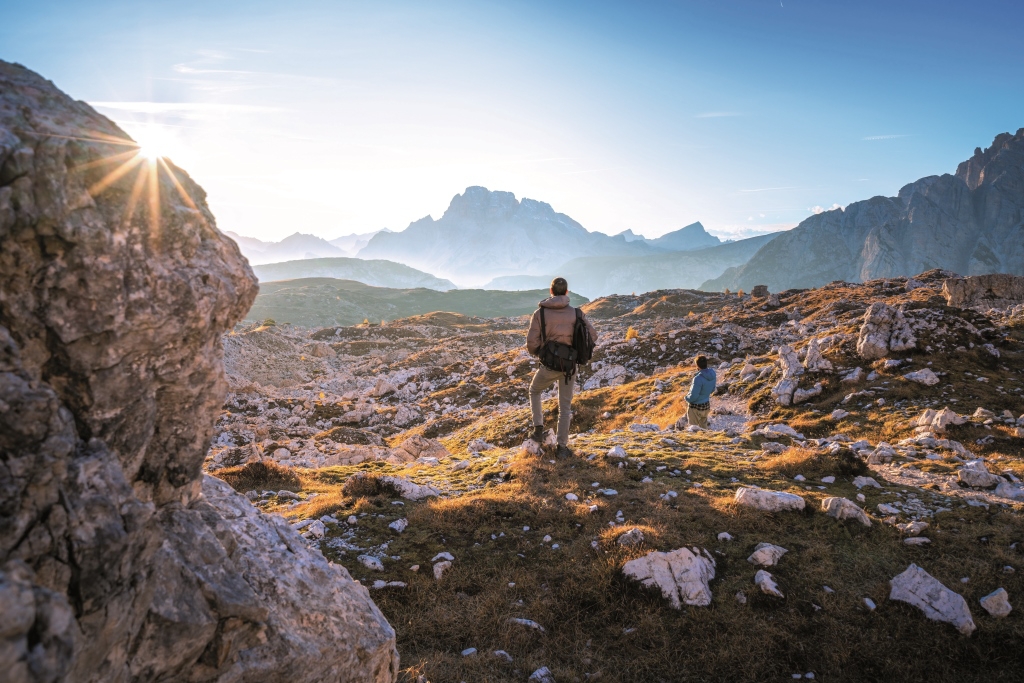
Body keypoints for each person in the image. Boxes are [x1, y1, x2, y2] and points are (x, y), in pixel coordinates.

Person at [525, 277, 597, 457]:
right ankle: (562, 448)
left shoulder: (539, 313)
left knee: (534, 391)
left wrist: (541, 353)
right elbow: (592, 336)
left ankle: (538, 429)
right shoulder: (577, 313)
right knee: (565, 407)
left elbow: (531, 343)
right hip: (570, 367)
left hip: (548, 365)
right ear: (566, 292)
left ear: (551, 292)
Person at [684, 355, 716, 429]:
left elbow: (693, 396)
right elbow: (712, 389)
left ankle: (695, 440)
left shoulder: (698, 378)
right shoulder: (712, 374)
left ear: (697, 365)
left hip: (695, 407)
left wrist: (686, 398)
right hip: (706, 405)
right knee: (704, 427)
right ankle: (705, 439)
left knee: (693, 428)